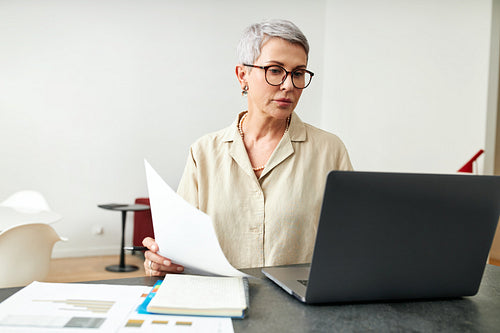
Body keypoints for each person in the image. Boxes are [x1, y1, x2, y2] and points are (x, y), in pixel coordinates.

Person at [143, 19, 353, 276]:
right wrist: (161, 261)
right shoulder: (204, 152)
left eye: (298, 73)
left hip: (298, 309)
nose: (289, 85)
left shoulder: (329, 150)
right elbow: (178, 248)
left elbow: (351, 242)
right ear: (243, 75)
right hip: (216, 300)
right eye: (275, 70)